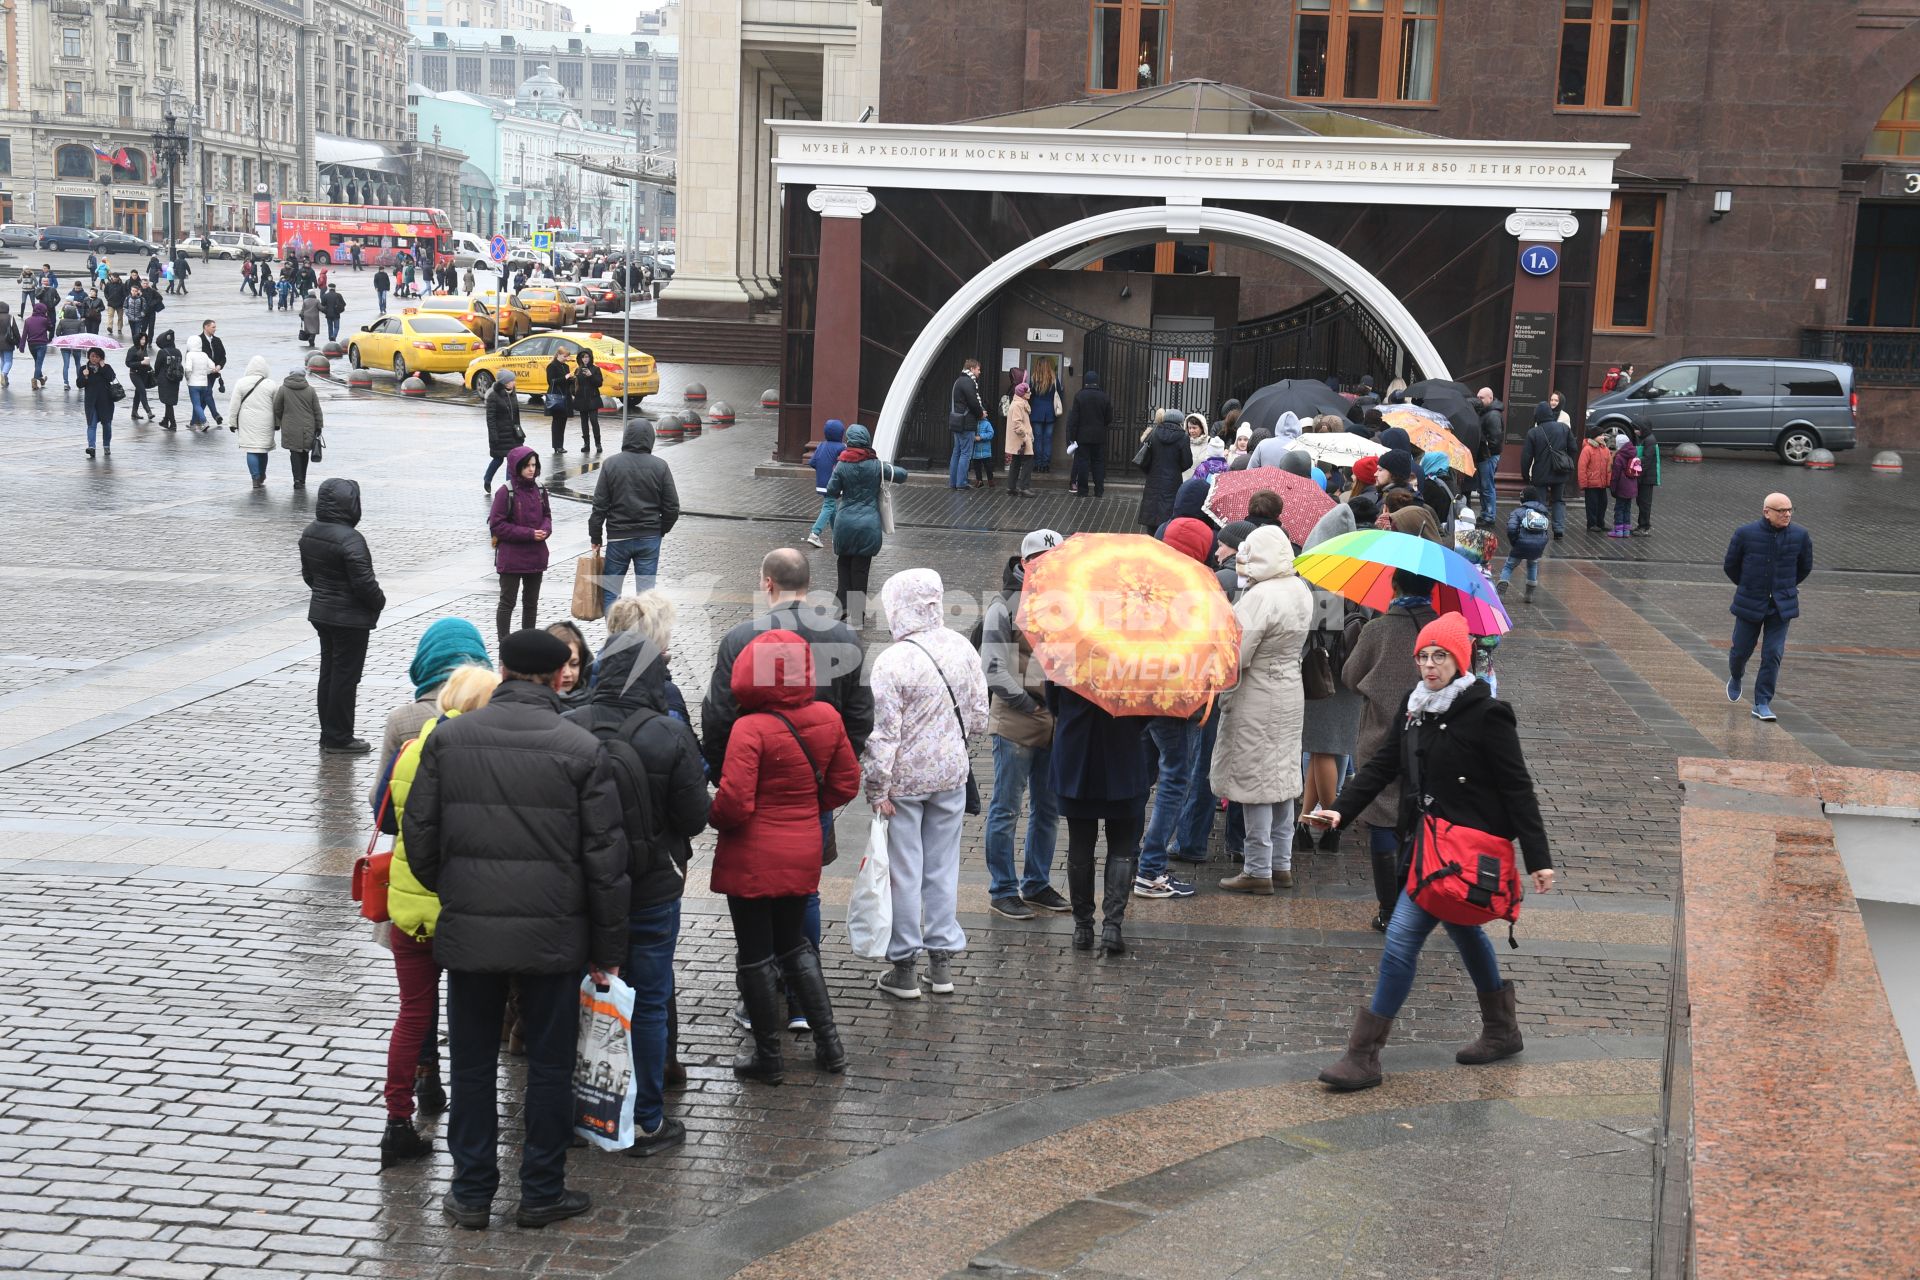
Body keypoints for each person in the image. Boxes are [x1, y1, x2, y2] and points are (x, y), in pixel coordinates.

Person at [403, 627, 630, 1231]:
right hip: (554, 938)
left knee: (473, 1064)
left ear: (501, 669)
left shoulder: (450, 739)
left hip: (472, 934)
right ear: (560, 676)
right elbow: (606, 861)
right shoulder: (580, 746)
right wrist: (607, 949)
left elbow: (419, 841)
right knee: (551, 1067)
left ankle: (472, 1190)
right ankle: (541, 1190)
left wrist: (457, 891)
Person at [1311, 613, 1554, 1091]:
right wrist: (1341, 810)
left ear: (1459, 660)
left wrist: (1538, 857)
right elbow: (1383, 764)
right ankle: (1502, 1030)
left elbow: (1518, 787)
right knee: (1465, 933)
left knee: (1401, 939)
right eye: (1423, 656)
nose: (1429, 665)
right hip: (1423, 845)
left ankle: (1363, 1057)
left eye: (1439, 656)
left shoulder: (1488, 714)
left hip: (1462, 851)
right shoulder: (1415, 704)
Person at [564, 594, 711, 1156]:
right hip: (651, 888)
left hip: (582, 888)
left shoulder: (570, 725)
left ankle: (579, 1113)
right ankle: (648, 1119)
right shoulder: (668, 733)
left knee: (579, 995)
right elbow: (695, 816)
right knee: (649, 1001)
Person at [710, 629, 860, 1081]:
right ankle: (830, 1047)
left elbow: (734, 804)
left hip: (752, 857)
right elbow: (846, 782)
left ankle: (769, 1057)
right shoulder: (827, 717)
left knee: (755, 954)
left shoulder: (749, 727)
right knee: (795, 944)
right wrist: (806, 809)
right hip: (801, 849)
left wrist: (712, 813)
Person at [378, 664, 501, 1168]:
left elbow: (384, 816)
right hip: (465, 909)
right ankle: (476, 1131)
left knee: (413, 1013)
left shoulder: (411, 748)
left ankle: (397, 1120)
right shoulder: (481, 757)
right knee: (473, 1021)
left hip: (410, 907)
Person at [866, 570, 988, 999]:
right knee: (942, 867)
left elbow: (884, 736)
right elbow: (978, 718)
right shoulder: (960, 648)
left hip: (903, 784)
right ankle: (941, 965)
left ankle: (903, 969)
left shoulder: (891, 661)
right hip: (951, 776)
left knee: (904, 872)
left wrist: (877, 790)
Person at [1206, 525, 1313, 894]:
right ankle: (1281, 863)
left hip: (1256, 695)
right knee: (1282, 779)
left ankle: (1256, 868)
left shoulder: (1260, 597)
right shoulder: (1299, 588)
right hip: (1289, 690)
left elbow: (1237, 655)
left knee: (1255, 781)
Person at [1339, 570, 1438, 932]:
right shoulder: (1442, 631)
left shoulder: (1377, 630)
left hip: (1380, 736)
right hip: (1431, 740)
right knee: (1424, 815)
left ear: (1394, 588)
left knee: (1381, 815)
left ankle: (1389, 909)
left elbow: (1350, 678)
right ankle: (1420, 901)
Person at [981, 529, 1068, 920]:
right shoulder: (1003, 605)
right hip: (1018, 721)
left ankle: (1037, 883)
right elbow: (993, 668)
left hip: (1054, 722)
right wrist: (1027, 704)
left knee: (1047, 810)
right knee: (1006, 809)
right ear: (1026, 562)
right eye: (1043, 562)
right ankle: (1003, 888)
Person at [1132, 517, 1217, 901]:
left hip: (1137, 694)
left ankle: (1128, 855)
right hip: (1175, 699)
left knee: (1141, 777)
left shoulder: (1143, 584)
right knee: (1175, 779)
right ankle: (1150, 869)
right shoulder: (1198, 590)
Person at [370, 618, 494, 815]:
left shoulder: (402, 719)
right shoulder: (495, 712)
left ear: (425, 659)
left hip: (412, 838)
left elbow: (379, 796)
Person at [299, 479, 386, 753]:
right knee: (346, 677)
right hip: (349, 618)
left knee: (330, 673)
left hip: (323, 612)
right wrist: (378, 602)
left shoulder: (311, 531)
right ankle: (339, 737)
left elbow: (309, 576)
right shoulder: (350, 538)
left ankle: (329, 733)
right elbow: (364, 583)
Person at [1298, 503, 1363, 857]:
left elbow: (1311, 623)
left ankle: (1324, 823)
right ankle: (1316, 823)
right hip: (1349, 673)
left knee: (1321, 747)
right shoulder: (1362, 575)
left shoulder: (1314, 575)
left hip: (1319, 673)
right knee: (1329, 748)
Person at [1723, 493, 1813, 723]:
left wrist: (1785, 587)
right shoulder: (1745, 533)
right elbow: (1731, 566)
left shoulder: (1800, 535)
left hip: (1781, 606)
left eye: (1790, 510)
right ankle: (1736, 676)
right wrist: (1749, 586)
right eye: (1781, 510)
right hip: (1750, 602)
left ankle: (1762, 702)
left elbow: (1804, 567)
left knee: (1773, 653)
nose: (1787, 514)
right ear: (1767, 512)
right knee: (1740, 651)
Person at [588, 418, 681, 611]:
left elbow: (599, 505)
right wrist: (660, 529)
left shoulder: (611, 464)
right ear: (650, 438)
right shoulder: (660, 466)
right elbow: (672, 506)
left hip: (618, 537)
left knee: (611, 591)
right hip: (649, 537)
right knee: (647, 595)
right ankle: (645, 637)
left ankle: (615, 636)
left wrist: (595, 535)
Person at [820, 423, 907, 622]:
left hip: (845, 524)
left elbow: (832, 490)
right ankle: (858, 612)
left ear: (849, 441)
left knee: (843, 564)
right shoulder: (876, 466)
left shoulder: (842, 464)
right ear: (867, 440)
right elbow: (903, 475)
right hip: (868, 524)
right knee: (861, 568)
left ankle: (841, 607)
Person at [489, 446, 552, 646]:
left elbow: (547, 516)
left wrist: (545, 530)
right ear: (517, 467)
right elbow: (498, 525)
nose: (531, 469)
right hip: (512, 558)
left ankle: (529, 645)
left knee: (531, 603)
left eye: (534, 465)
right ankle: (504, 644)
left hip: (536, 556)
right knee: (508, 602)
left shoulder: (540, 490)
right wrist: (530, 534)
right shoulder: (504, 492)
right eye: (526, 466)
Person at [1518, 400, 1576, 537]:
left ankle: (1539, 527)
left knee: (1540, 502)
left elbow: (1526, 457)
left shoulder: (1533, 432)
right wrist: (1568, 462)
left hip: (1540, 473)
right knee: (1558, 500)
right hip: (1560, 470)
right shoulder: (1563, 428)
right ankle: (1558, 529)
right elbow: (1573, 448)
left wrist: (1525, 474)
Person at [1135, 408, 1194, 531]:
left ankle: (1152, 541)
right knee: (1168, 513)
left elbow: (1144, 458)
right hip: (1173, 481)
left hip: (1153, 479)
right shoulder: (1183, 437)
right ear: (1180, 421)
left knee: (1152, 511)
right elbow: (1187, 462)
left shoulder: (1154, 433)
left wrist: (1150, 471)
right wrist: (1176, 469)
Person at [228, 355, 278, 487]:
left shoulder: (241, 383)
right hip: (266, 421)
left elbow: (234, 405)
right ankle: (262, 474)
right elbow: (277, 406)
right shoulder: (271, 384)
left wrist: (232, 422)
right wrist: (277, 423)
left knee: (251, 449)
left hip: (247, 421)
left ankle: (255, 478)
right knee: (263, 448)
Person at [272, 364, 323, 491]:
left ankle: (297, 479)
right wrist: (319, 425)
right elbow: (317, 410)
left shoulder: (283, 389)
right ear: (303, 376)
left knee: (294, 452)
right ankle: (303, 478)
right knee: (305, 451)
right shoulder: (310, 390)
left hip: (290, 426)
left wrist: (281, 421)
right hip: (308, 426)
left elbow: (277, 408)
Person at [1498, 488, 1552, 603]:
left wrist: (1514, 541)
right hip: (1538, 545)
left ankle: (1501, 592)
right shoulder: (1543, 512)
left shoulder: (1517, 512)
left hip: (1521, 544)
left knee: (1509, 566)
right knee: (1532, 565)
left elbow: (1511, 529)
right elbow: (1546, 531)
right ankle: (1529, 594)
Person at [1064, 369, 1113, 497]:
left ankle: (1083, 490)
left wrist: (1072, 437)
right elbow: (1109, 418)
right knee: (1098, 463)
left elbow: (1074, 418)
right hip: (1099, 436)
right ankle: (1099, 490)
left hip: (1082, 436)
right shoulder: (1104, 397)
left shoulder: (1079, 396)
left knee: (1083, 463)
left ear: (1085, 382)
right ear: (1097, 382)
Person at [803, 419, 847, 548]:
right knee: (828, 507)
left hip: (821, 483)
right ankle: (814, 534)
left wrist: (822, 472)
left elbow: (812, 462)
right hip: (833, 483)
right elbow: (843, 465)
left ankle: (837, 537)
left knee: (832, 508)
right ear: (841, 434)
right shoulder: (842, 447)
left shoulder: (821, 445)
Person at [947, 357, 986, 489]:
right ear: (972, 369)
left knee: (956, 452)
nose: (979, 372)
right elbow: (973, 402)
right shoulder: (968, 382)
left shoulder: (959, 381)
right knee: (965, 453)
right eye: (978, 369)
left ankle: (953, 482)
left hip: (958, 421)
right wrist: (981, 413)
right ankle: (961, 483)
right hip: (966, 423)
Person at [483, 370, 524, 493]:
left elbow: (516, 415)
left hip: (513, 434)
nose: (514, 382)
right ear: (505, 383)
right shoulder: (493, 396)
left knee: (512, 460)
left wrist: (519, 432)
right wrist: (493, 436)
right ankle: (487, 478)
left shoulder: (512, 394)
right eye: (511, 380)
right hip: (500, 434)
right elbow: (490, 419)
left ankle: (509, 487)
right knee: (498, 459)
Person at [75, 347, 120, 460]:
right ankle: (92, 447)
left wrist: (104, 367)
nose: (94, 358)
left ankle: (106, 445)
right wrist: (84, 376)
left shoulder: (106, 367)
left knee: (107, 424)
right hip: (91, 402)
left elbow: (112, 377)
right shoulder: (83, 369)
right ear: (89, 356)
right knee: (91, 424)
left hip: (105, 401)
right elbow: (79, 384)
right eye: (92, 356)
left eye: (97, 356)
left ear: (101, 358)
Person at [547, 621, 595, 711]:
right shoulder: (533, 704)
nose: (567, 673)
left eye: (574, 664)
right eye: (559, 665)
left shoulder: (595, 702)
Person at [1577, 427, 1614, 532]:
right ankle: (1591, 524)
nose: (1603, 437)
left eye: (1603, 435)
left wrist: (1608, 481)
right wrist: (1583, 483)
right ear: (1594, 437)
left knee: (1603, 503)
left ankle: (1600, 523)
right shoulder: (1587, 449)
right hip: (1591, 483)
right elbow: (1582, 467)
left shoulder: (1605, 449)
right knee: (1592, 504)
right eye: (1600, 435)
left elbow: (1609, 467)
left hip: (1601, 483)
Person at [1004, 382, 1036, 496]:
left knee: (1016, 461)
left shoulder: (1021, 403)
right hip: (1021, 439)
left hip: (1019, 439)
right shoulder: (1018, 405)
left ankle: (1011, 487)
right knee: (1028, 460)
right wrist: (1026, 436)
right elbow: (1017, 424)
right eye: (1028, 391)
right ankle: (1024, 487)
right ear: (1023, 394)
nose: (1030, 393)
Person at [1607, 431, 1640, 538]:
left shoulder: (1620, 457)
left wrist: (1612, 487)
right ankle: (1626, 530)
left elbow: (1615, 475)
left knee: (1619, 509)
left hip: (1622, 487)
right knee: (1627, 508)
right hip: (1632, 487)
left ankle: (1618, 531)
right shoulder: (1633, 453)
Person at [1029, 361, 1060, 472]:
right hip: (1050, 413)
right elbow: (1059, 394)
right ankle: (1046, 465)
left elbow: (1029, 395)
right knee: (1048, 440)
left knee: (1037, 439)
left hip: (1036, 412)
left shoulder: (1034, 379)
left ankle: (1037, 465)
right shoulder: (1054, 379)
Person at [543, 348, 574, 452]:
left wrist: (571, 379)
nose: (566, 359)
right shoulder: (552, 366)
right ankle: (556, 446)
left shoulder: (566, 366)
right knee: (557, 422)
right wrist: (565, 377)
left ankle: (560, 445)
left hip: (565, 396)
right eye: (564, 356)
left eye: (567, 356)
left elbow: (566, 382)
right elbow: (551, 381)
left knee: (563, 421)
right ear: (558, 355)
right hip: (556, 396)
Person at [153, 330, 184, 431]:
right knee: (169, 402)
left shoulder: (162, 352)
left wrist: (156, 376)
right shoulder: (178, 351)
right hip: (175, 380)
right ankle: (165, 420)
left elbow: (157, 366)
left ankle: (173, 423)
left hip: (164, 380)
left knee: (168, 403)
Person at [573, 350, 604, 453]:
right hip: (582, 399)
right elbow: (576, 385)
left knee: (594, 420)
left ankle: (598, 444)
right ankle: (586, 444)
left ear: (590, 358)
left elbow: (599, 383)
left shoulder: (595, 369)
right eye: (583, 357)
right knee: (584, 422)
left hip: (593, 399)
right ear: (580, 359)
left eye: (587, 357)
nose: (585, 359)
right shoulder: (578, 370)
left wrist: (591, 375)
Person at [1632, 421, 1660, 533]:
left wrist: (1635, 464)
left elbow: (1647, 460)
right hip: (1644, 477)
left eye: (1637, 429)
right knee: (1641, 501)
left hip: (1646, 478)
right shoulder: (1646, 438)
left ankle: (1644, 526)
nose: (1635, 431)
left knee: (1644, 503)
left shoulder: (1649, 440)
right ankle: (1642, 525)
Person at [124, 331, 154, 422]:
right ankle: (149, 411)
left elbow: (145, 361)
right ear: (138, 339)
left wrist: (149, 367)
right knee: (142, 391)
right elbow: (128, 363)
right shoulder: (132, 350)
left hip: (144, 374)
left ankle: (134, 412)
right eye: (142, 339)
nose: (143, 341)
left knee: (138, 393)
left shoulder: (144, 349)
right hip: (135, 374)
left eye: (145, 339)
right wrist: (140, 363)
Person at [22, 301, 51, 390]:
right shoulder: (44, 320)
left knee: (37, 362)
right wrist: (47, 317)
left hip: (31, 345)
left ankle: (41, 379)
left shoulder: (27, 320)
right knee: (39, 363)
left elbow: (24, 334)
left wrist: (21, 346)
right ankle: (34, 380)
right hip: (41, 344)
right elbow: (51, 327)